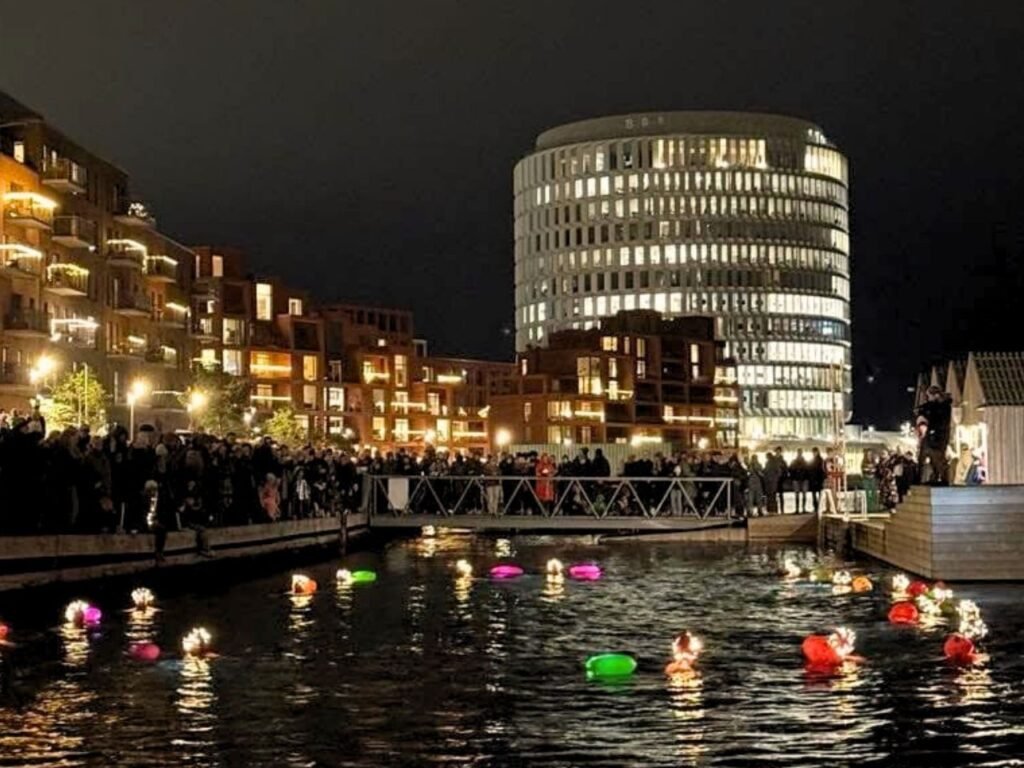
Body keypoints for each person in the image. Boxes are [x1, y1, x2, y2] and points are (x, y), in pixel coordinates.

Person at [915, 386, 952, 485]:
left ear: (936, 395)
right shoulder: (937, 406)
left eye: (929, 396)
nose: (928, 398)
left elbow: (935, 417)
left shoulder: (942, 407)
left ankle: (943, 479)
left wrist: (923, 412)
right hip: (933, 437)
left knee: (937, 459)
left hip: (937, 438)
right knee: (927, 458)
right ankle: (932, 478)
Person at [789, 449, 809, 514]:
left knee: (798, 494)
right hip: (801, 479)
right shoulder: (805, 462)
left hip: (798, 479)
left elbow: (790, 469)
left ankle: (798, 509)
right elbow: (808, 469)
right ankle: (802, 509)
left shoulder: (794, 461)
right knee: (802, 494)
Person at [808, 447, 826, 514]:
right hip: (817, 480)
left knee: (816, 494)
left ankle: (817, 507)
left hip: (816, 480)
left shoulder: (817, 460)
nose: (814, 453)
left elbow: (820, 471)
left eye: (814, 452)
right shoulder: (820, 460)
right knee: (817, 495)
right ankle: (817, 507)